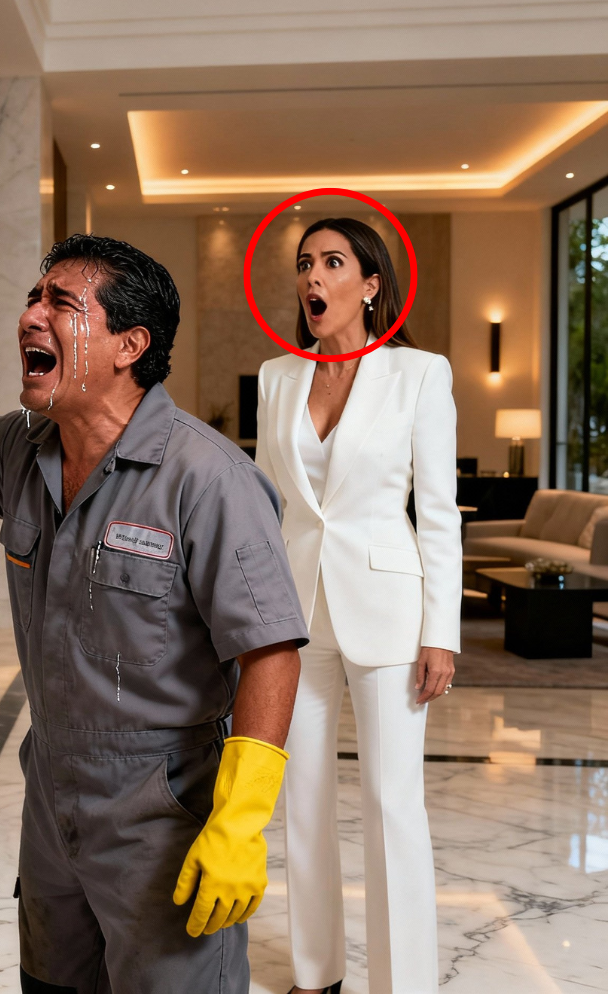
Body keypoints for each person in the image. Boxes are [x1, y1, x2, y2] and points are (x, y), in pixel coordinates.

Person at [0, 234, 309, 993]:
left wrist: (240, 822)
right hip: (52, 794)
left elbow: (270, 649)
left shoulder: (207, 479)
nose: (30, 316)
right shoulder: (21, 447)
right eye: (33, 299)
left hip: (162, 806)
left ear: (129, 345)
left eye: (61, 304)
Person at [254, 218, 461, 994]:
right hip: (294, 615)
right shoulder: (277, 377)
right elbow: (268, 506)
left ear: (371, 285)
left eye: (333, 262)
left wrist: (442, 632)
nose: (313, 275)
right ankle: (316, 974)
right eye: (305, 262)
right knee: (300, 800)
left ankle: (402, 982)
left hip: (389, 611)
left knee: (390, 802)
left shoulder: (419, 374)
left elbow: (437, 513)